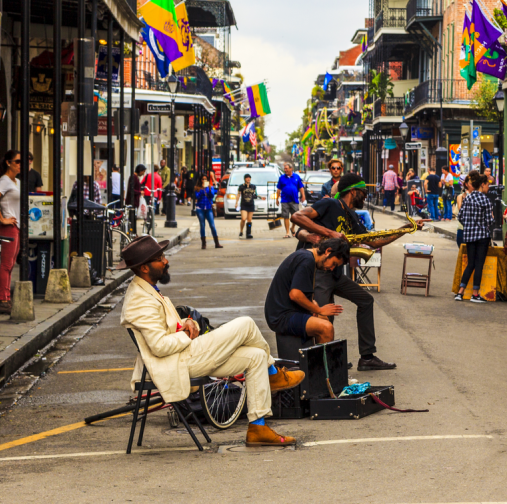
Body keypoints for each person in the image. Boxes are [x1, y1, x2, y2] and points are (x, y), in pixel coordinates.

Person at [119, 235, 304, 446]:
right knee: (246, 324)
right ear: (144, 268)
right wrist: (186, 334)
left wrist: (187, 323)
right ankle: (273, 374)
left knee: (256, 356)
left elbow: (168, 327)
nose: (166, 261)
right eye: (160, 258)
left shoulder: (147, 289)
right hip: (177, 362)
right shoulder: (139, 300)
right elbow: (160, 346)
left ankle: (258, 428)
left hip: (183, 355)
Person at [291, 172, 423, 370]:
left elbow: (374, 240)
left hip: (335, 272)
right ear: (353, 192)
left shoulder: (351, 215)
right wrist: (328, 233)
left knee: (365, 300)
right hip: (318, 271)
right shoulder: (330, 204)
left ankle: (367, 357)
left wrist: (405, 229)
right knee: (325, 317)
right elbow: (297, 216)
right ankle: (325, 366)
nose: (366, 196)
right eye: (363, 192)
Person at [264, 237, 350, 343]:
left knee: (324, 319)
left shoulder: (307, 256)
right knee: (326, 328)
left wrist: (314, 306)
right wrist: (318, 310)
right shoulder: (307, 260)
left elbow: (303, 292)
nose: (332, 268)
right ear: (328, 251)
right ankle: (323, 359)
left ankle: (317, 356)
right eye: (334, 264)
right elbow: (295, 294)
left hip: (287, 311)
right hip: (281, 316)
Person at [0, 150, 21, 315]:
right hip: (9, 227)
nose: (20, 164)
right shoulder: (5, 180)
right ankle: (3, 300)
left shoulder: (16, 182)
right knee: (6, 264)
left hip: (16, 228)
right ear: (8, 163)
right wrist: (2, 219)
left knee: (11, 265)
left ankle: (6, 298)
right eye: (17, 161)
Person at [455, 171, 494, 303]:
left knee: (470, 264)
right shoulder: (485, 200)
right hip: (482, 236)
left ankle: (460, 292)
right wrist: (484, 224)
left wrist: (469, 225)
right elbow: (489, 221)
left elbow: (460, 216)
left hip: (469, 235)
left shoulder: (468, 198)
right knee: (479, 264)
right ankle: (475, 294)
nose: (488, 187)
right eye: (487, 185)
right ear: (482, 185)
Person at [276, 162, 305, 239]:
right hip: (285, 200)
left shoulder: (296, 177)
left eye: (286, 168)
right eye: (284, 168)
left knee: (295, 217)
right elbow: (278, 189)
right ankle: (287, 232)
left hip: (294, 199)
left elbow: (301, 187)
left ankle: (292, 228)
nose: (285, 170)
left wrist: (303, 196)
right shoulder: (282, 177)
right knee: (286, 216)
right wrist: (277, 198)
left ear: (291, 168)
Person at [194, 174, 222, 249]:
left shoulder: (210, 187)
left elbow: (212, 196)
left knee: (212, 225)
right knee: (202, 225)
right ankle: (203, 243)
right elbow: (197, 196)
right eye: (203, 179)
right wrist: (202, 189)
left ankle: (217, 243)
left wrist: (208, 189)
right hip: (200, 208)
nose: (204, 180)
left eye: (205, 179)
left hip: (209, 208)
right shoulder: (197, 188)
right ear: (200, 180)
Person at [238, 174, 258, 239]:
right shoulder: (241, 186)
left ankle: (248, 233)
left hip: (251, 204)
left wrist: (259, 196)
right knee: (243, 218)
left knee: (249, 220)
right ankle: (241, 231)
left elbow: (255, 194)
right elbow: (238, 195)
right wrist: (236, 202)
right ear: (244, 179)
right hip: (244, 204)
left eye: (249, 178)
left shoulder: (253, 186)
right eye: (247, 178)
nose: (248, 179)